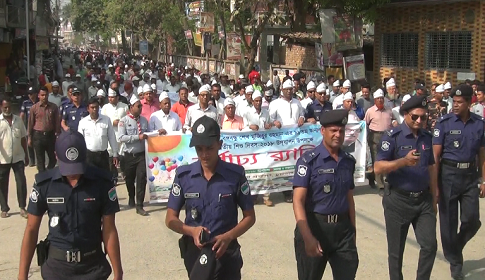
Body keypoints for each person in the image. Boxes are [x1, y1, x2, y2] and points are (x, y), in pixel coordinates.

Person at [18, 130, 123, 280]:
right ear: (56, 156)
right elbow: (31, 229)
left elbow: (109, 229)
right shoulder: (44, 185)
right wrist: (22, 276)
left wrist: (118, 273)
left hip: (93, 268)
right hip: (56, 269)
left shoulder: (102, 183)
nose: (73, 174)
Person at [165, 116, 256, 280]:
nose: (204, 154)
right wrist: (191, 231)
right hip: (195, 254)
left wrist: (228, 237)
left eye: (209, 148)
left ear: (220, 145)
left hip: (226, 252)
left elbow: (250, 217)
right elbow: (170, 219)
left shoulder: (235, 175)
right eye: (199, 149)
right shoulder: (184, 176)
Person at [375, 95, 438, 280]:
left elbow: (432, 166)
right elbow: (378, 167)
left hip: (423, 200)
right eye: (415, 117)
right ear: (405, 115)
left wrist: (434, 197)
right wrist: (403, 161)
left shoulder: (427, 136)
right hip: (398, 200)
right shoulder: (392, 136)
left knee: (430, 246)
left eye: (423, 117)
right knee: (396, 254)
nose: (419, 121)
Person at [292, 109, 358, 280]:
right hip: (315, 228)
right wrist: (307, 237)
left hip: (343, 232)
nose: (338, 135)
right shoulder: (308, 161)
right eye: (333, 131)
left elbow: (349, 198)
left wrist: (353, 232)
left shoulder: (348, 161)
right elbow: (298, 201)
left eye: (341, 131)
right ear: (323, 131)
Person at [432, 84, 485, 280]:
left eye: (460, 102)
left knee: (472, 221)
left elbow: (482, 154)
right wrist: (435, 185)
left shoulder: (479, 124)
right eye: (454, 101)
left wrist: (484, 180)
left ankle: (455, 247)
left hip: (470, 176)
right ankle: (456, 263)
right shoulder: (444, 123)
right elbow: (435, 157)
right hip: (448, 175)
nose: (455, 105)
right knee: (448, 223)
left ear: (469, 102)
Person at [118, 95, 150, 215]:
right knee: (129, 180)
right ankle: (131, 196)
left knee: (141, 179)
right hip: (128, 156)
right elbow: (121, 137)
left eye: (141, 106)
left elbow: (149, 134)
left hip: (141, 155)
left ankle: (139, 205)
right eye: (138, 106)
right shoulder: (123, 121)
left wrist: (159, 132)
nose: (141, 108)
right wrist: (137, 137)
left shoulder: (144, 120)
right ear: (131, 107)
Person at [0, 98, 28, 219]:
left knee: (21, 182)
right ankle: (4, 208)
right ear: (1, 107)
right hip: (3, 159)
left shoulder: (18, 120)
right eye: (5, 107)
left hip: (18, 156)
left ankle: (22, 207)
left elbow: (23, 138)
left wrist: (26, 154)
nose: (7, 109)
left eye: (9, 107)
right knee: (2, 184)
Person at [78, 97, 119, 172]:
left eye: (96, 107)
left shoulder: (106, 120)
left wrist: (115, 154)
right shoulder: (83, 122)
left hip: (103, 155)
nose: (94, 109)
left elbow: (111, 137)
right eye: (92, 107)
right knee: (91, 180)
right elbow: (80, 141)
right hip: (89, 156)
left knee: (104, 179)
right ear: (88, 109)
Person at [365, 89, 394, 194]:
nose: (380, 100)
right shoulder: (370, 111)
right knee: (376, 160)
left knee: (386, 159)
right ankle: (380, 185)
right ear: (375, 100)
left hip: (387, 137)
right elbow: (365, 124)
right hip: (375, 137)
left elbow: (394, 120)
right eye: (378, 99)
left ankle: (381, 179)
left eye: (382, 98)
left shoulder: (389, 110)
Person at [28, 87, 60, 172]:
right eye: (42, 95)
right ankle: (42, 178)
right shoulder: (34, 108)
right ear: (38, 96)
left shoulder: (53, 107)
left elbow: (57, 122)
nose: (44, 97)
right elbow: (30, 123)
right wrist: (29, 137)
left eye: (46, 95)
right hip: (38, 136)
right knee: (40, 160)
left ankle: (49, 172)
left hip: (50, 136)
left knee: (53, 159)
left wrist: (58, 134)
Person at [101, 88, 128, 183]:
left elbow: (128, 119)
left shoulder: (124, 107)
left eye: (112, 97)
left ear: (117, 97)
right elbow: (102, 121)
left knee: (123, 158)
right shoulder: (105, 108)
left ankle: (125, 174)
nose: (110, 99)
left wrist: (120, 122)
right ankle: (114, 178)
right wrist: (112, 123)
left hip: (122, 136)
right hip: (110, 136)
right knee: (111, 158)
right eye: (109, 97)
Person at [20, 87, 37, 167]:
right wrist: (20, 125)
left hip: (38, 126)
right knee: (29, 144)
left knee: (38, 144)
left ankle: (39, 160)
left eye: (31, 93)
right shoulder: (25, 103)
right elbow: (22, 115)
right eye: (29, 94)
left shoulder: (39, 102)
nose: (30, 95)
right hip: (29, 126)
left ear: (35, 94)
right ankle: (32, 160)